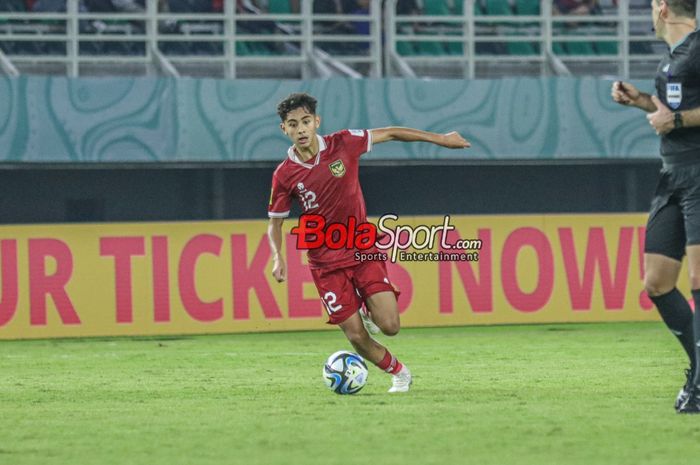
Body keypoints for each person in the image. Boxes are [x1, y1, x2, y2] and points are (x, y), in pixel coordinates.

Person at [267, 93, 469, 393]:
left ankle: (364, 305)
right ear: (285, 129)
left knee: (390, 326)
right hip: (325, 263)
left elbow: (391, 132)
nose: (301, 129)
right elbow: (275, 222)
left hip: (362, 248)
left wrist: (441, 139)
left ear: (316, 122)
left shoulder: (344, 143)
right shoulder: (284, 175)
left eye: (306, 121)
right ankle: (399, 373)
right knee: (356, 334)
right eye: (293, 124)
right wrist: (277, 256)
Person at [611, 0, 700, 413]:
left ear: (663, 8)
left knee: (699, 280)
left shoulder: (699, 47)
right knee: (657, 282)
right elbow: (671, 113)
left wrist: (677, 123)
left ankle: (699, 386)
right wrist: (643, 102)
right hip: (672, 177)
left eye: (650, 4)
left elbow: (678, 119)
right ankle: (698, 368)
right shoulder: (673, 58)